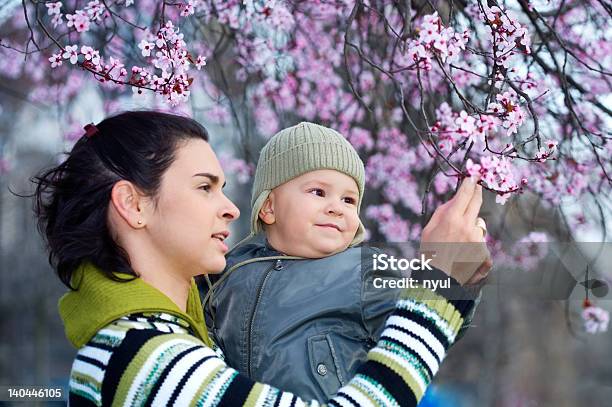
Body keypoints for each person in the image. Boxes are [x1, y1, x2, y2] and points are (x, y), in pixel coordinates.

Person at [34, 111, 485, 406]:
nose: (230, 207)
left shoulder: (163, 339)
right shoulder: (145, 361)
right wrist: (435, 295)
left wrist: (449, 281)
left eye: (350, 200)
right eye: (205, 186)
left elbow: (426, 290)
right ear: (133, 205)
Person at [203, 122, 492, 401]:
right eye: (318, 192)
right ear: (269, 207)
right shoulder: (230, 269)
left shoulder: (363, 269)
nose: (336, 208)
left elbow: (428, 318)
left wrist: (456, 270)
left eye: (349, 200)